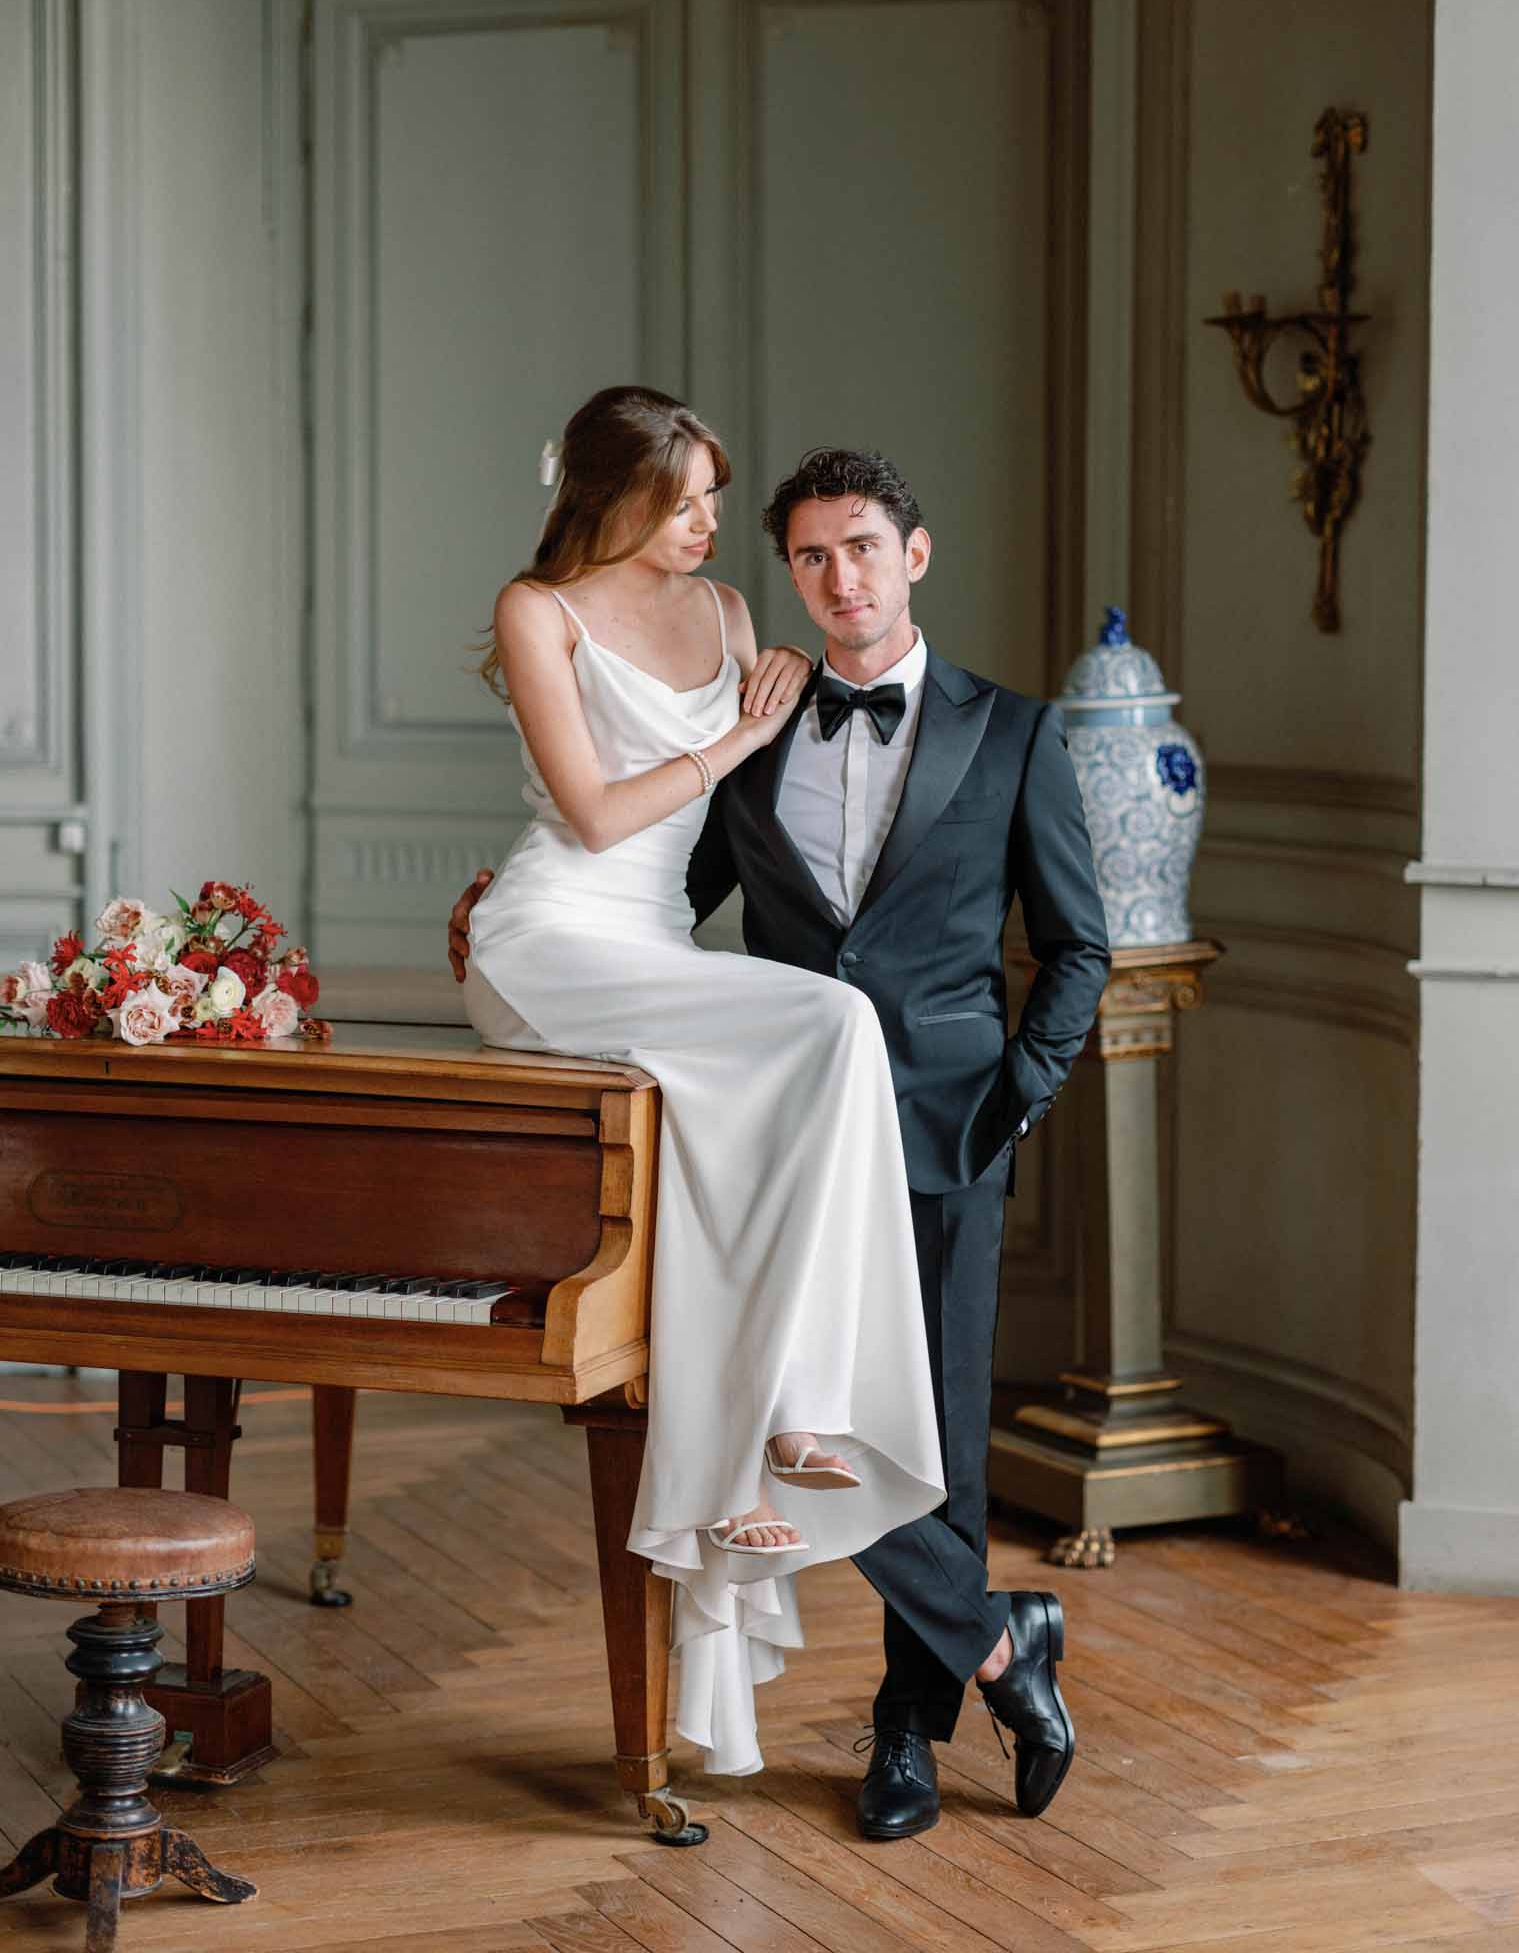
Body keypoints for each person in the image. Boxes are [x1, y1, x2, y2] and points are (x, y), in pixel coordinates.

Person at [452, 443, 1111, 1839]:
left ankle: (903, 1738)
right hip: (776, 1131)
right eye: (811, 555)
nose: (839, 577)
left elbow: (1077, 948)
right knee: (819, 1419)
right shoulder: (758, 718)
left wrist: (1015, 1098)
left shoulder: (1016, 732)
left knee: (935, 1433)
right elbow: (662, 886)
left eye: (862, 546)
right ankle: (1002, 1641)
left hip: (943, 1128)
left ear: (913, 556)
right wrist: (524, 925)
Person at [459, 388, 946, 1781]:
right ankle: (795, 1405)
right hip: (553, 936)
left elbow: (744, 829)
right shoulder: (535, 610)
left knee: (771, 1119)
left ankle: (755, 1454)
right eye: (686, 504)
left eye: (715, 503)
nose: (710, 527)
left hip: (658, 944)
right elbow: (603, 814)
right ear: (615, 498)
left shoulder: (735, 614)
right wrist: (743, 731)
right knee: (835, 1032)